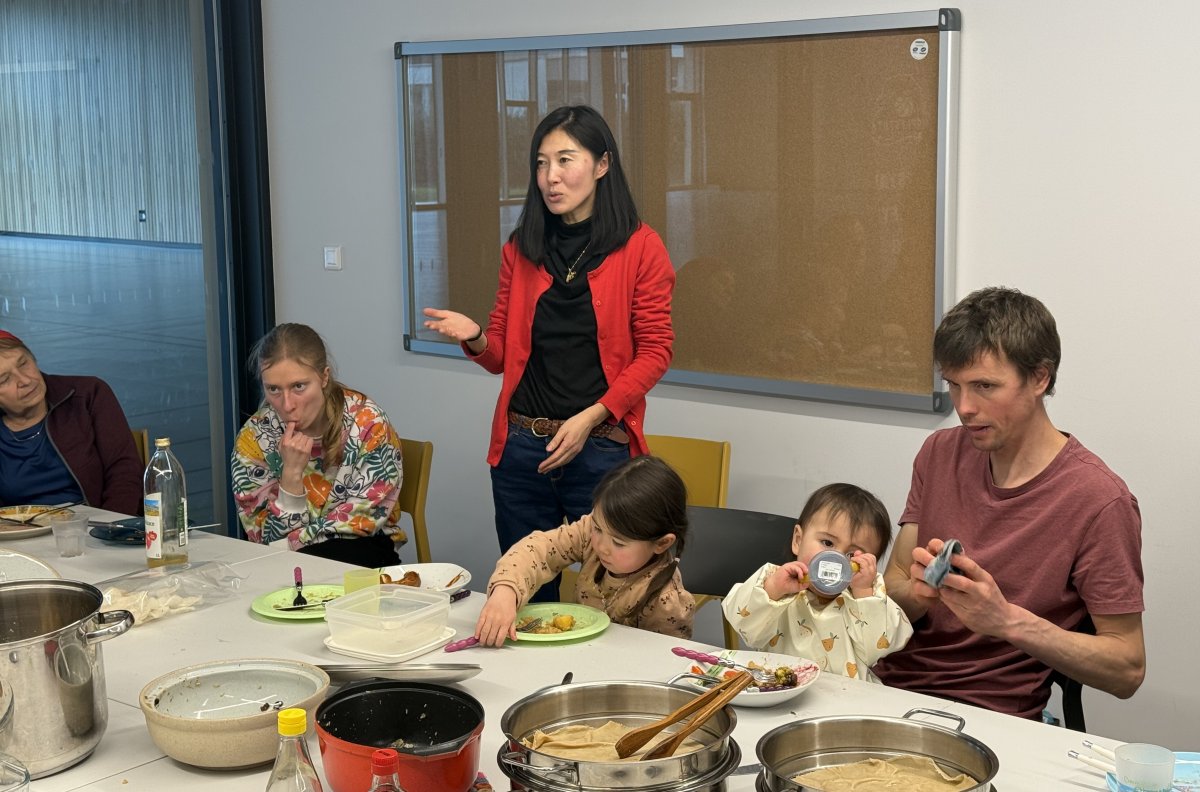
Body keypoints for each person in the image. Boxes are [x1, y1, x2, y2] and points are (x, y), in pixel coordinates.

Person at [422, 105, 674, 601]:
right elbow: (500, 355)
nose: (550, 177)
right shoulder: (522, 247)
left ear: (602, 164)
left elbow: (655, 350)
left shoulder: (641, 247)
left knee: (609, 599)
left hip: (599, 450)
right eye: (541, 163)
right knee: (528, 596)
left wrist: (590, 417)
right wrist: (476, 336)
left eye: (564, 160)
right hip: (521, 450)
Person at [874, 287, 1145, 719]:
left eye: (985, 386)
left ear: (1040, 378)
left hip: (989, 714)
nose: (964, 407)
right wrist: (920, 596)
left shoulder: (1099, 500)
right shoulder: (939, 453)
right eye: (954, 385)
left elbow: (1127, 669)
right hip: (883, 688)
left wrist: (1005, 620)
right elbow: (893, 589)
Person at [230, 323, 406, 567]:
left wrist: (287, 547)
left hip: (362, 550)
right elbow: (261, 536)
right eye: (273, 389)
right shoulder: (255, 437)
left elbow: (361, 523)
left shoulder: (367, 424)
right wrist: (291, 476)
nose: (287, 405)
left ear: (324, 377)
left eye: (298, 386)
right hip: (286, 561)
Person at [473, 455, 694, 645]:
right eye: (597, 528)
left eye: (618, 543)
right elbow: (539, 549)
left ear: (661, 543)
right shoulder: (591, 533)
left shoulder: (667, 602)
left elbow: (664, 663)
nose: (601, 546)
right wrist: (506, 590)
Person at [722, 483, 912, 682]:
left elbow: (879, 648)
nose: (836, 560)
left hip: (846, 695)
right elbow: (742, 623)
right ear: (798, 540)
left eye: (851, 555)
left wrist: (864, 593)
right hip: (780, 688)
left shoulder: (868, 597)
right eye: (827, 543)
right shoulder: (776, 584)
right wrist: (772, 589)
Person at [0, 330, 142, 513]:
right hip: (17, 529)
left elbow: (125, 471)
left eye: (23, 363)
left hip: (98, 524)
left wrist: (110, 525)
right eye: (4, 380)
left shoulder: (87, 394)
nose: (25, 380)